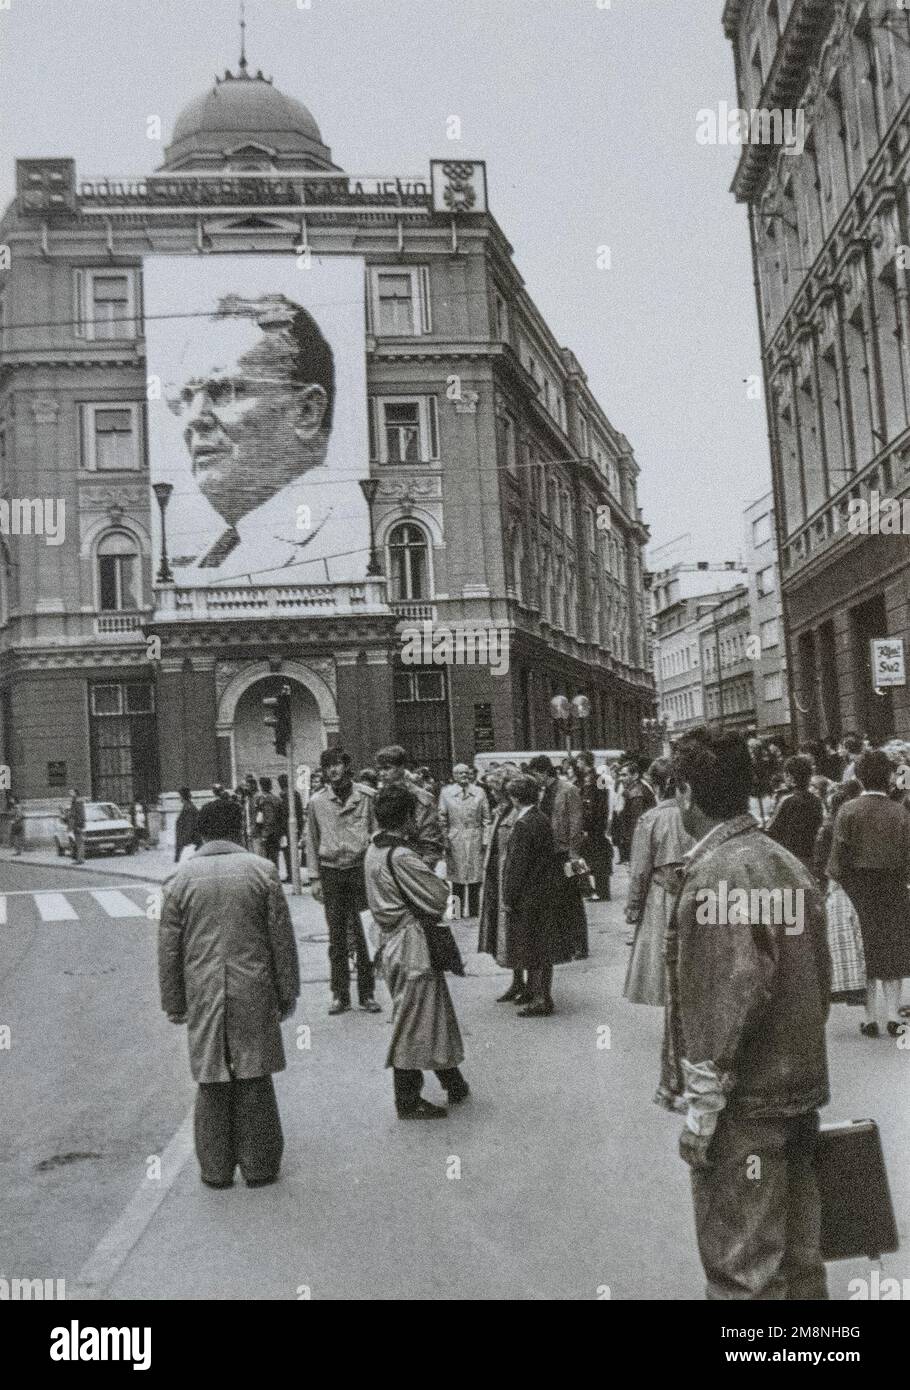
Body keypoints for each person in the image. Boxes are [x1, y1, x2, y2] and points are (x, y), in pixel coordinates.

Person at [663, 728, 830, 1301]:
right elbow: (819, 980)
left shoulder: (716, 876)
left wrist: (702, 1113)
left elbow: (722, 1000)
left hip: (745, 1106)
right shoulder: (784, 861)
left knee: (743, 1272)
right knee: (801, 1262)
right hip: (797, 1091)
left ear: (686, 792)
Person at [154, 286, 366, 586]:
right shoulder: (216, 549)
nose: (195, 418)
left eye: (223, 391)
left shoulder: (345, 531)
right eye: (186, 397)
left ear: (307, 412)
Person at [158, 796, 300, 1189]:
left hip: (202, 990)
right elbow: (281, 941)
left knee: (211, 1076)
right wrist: (287, 991)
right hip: (253, 986)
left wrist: (173, 1001)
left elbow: (169, 948)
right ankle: (259, 1166)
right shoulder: (263, 871)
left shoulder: (180, 881)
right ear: (239, 829)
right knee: (254, 1073)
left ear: (201, 832)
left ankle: (216, 1169)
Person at [364, 783, 469, 1119]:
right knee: (415, 1018)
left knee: (428, 1013)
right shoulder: (403, 856)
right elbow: (439, 897)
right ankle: (407, 1098)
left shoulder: (373, 850)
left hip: (388, 940)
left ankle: (454, 1081)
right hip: (411, 943)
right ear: (408, 818)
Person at [826, 748, 910, 1037]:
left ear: (859, 778)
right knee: (893, 949)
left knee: (866, 950)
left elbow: (838, 855)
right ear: (888, 777)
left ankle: (870, 1016)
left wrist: (834, 884)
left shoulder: (847, 810)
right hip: (894, 886)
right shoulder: (900, 812)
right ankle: (893, 1015)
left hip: (857, 888)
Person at [306, 747, 381, 1016]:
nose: (333, 770)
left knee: (363, 936)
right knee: (336, 936)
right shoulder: (316, 802)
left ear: (346, 767)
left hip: (360, 870)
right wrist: (314, 878)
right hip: (331, 872)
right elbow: (312, 841)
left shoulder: (367, 797)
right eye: (328, 767)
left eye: (337, 764)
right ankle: (339, 994)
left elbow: (376, 834)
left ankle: (367, 993)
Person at [623, 758, 692, 1007]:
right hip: (692, 891)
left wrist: (633, 905)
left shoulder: (650, 819)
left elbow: (639, 869)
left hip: (660, 895)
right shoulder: (692, 814)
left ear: (656, 784)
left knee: (662, 957)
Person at [501, 774, 568, 1017]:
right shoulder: (540, 818)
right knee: (541, 945)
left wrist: (508, 898)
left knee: (533, 946)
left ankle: (541, 997)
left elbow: (516, 866)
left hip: (528, 895)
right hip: (544, 891)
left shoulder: (522, 824)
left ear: (515, 798)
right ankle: (535, 991)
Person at [529, 754, 589, 960]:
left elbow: (576, 823)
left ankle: (580, 944)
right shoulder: (543, 792)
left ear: (543, 772)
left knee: (573, 899)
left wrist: (575, 855)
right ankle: (565, 942)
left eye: (535, 774)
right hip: (551, 854)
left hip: (567, 853)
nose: (534, 778)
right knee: (558, 899)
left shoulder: (568, 790)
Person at [814, 781, 867, 1005]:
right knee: (856, 936)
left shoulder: (827, 828)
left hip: (834, 884)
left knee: (835, 936)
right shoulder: (857, 826)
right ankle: (857, 984)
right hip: (856, 883)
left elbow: (820, 859)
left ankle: (840, 985)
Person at [477, 764, 525, 1002]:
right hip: (497, 876)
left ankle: (527, 984)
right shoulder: (502, 811)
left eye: (495, 790)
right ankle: (517, 980)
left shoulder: (518, 815)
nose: (492, 794)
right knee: (506, 933)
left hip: (510, 878)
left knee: (518, 932)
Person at [374, 745, 444, 865]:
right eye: (379, 769)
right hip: (383, 862)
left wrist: (419, 870)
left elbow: (431, 846)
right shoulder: (378, 796)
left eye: (387, 768)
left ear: (402, 768)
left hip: (412, 864)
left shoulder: (421, 799)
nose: (382, 774)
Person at [438, 763, 492, 918]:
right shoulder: (446, 793)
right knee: (456, 878)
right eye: (460, 773)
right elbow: (442, 818)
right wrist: (445, 839)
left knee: (475, 876)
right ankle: (456, 912)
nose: (464, 776)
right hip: (455, 837)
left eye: (466, 773)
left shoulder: (479, 792)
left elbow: (486, 819)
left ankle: (475, 912)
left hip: (475, 836)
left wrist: (485, 840)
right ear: (454, 776)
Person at [765, 753, 824, 870]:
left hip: (790, 858)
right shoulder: (816, 801)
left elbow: (771, 830)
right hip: (810, 856)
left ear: (789, 776)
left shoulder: (786, 801)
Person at [576, 759, 612, 900]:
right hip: (598, 827)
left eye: (579, 762)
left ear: (584, 762)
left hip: (592, 828)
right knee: (598, 861)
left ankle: (590, 889)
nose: (578, 765)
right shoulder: (599, 779)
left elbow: (590, 806)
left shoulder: (589, 780)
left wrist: (585, 826)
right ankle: (599, 890)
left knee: (583, 859)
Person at [611, 759, 656, 864]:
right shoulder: (634, 790)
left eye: (624, 775)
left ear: (635, 775)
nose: (621, 778)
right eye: (620, 775)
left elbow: (636, 824)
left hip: (639, 846)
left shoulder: (637, 793)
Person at [277, 772, 304, 885]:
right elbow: (300, 812)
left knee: (287, 853)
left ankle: (291, 875)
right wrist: (300, 828)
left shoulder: (282, 796)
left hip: (285, 828)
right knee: (293, 852)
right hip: (295, 828)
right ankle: (294, 874)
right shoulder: (296, 794)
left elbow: (281, 815)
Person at [256, 776, 282, 868]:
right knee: (274, 857)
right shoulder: (276, 799)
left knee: (266, 858)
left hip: (268, 833)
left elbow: (268, 818)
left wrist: (264, 835)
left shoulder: (265, 800)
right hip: (275, 832)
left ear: (262, 786)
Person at [174, 786, 200, 863]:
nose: (179, 798)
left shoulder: (188, 808)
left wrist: (185, 844)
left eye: (179, 796)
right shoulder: (188, 807)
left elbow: (189, 827)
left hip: (188, 844)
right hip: (186, 842)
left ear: (183, 796)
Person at [67, 788, 86, 864]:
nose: (70, 793)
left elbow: (79, 814)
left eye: (71, 792)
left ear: (75, 793)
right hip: (77, 824)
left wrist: (79, 824)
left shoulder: (77, 801)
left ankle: (80, 859)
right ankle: (80, 858)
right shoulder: (76, 801)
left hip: (77, 824)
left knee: (79, 842)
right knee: (78, 842)